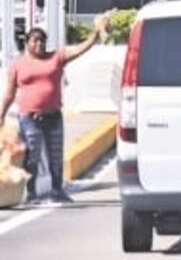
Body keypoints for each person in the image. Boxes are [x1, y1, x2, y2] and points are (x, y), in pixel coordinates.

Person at [1, 13, 111, 204]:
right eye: (35, 41)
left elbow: (80, 49)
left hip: (53, 116)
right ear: (27, 43)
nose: (40, 45)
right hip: (29, 117)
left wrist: (96, 33)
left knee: (55, 155)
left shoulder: (56, 58)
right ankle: (32, 191)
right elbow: (9, 94)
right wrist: (1, 114)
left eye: (43, 41)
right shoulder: (17, 65)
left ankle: (57, 189)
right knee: (32, 154)